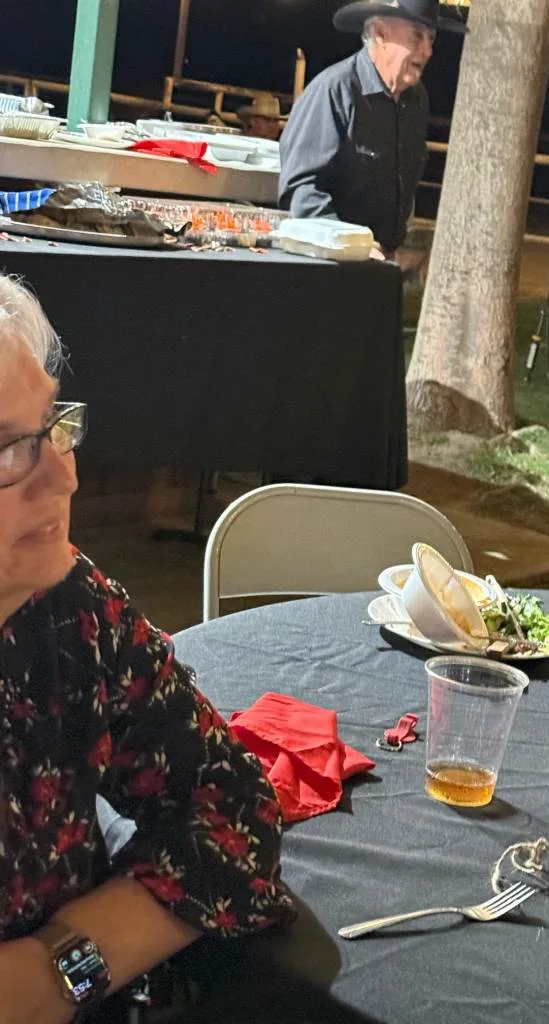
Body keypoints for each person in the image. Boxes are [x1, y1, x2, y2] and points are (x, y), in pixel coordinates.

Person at [0, 274, 293, 1022]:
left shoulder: (64, 607)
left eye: (53, 427)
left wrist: (53, 973)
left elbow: (233, 810)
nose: (65, 475)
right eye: (7, 453)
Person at [278, 0, 466, 257]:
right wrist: (352, 247)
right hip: (330, 263)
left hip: (381, 261)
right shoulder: (333, 91)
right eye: (417, 35)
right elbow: (301, 190)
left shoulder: (416, 100)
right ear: (380, 34)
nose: (428, 50)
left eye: (431, 38)